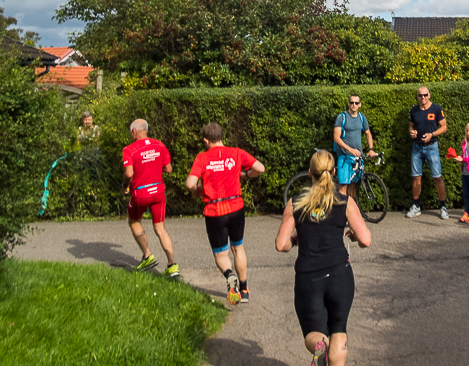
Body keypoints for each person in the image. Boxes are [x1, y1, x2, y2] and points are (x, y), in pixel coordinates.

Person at [276, 150, 372, 366]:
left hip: (309, 277)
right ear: (334, 172)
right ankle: (329, 351)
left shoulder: (296, 203)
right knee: (339, 331)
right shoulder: (345, 202)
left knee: (314, 332)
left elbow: (281, 245)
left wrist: (296, 240)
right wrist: (354, 236)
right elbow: (366, 239)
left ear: (310, 172)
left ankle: (320, 347)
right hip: (340, 275)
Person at [185, 122, 266, 305]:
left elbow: (190, 184)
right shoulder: (236, 153)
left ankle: (230, 276)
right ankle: (244, 289)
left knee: (221, 254)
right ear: (222, 136)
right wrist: (246, 175)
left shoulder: (202, 157)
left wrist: (197, 190)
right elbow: (260, 168)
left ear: (206, 140)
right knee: (238, 248)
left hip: (215, 211)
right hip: (236, 207)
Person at [122, 118, 178, 276]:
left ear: (134, 132)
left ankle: (147, 255)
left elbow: (129, 173)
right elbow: (168, 169)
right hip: (158, 192)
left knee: (134, 221)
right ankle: (172, 264)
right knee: (160, 228)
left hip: (141, 193)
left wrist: (125, 185)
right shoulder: (159, 145)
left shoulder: (129, 149)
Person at [406, 86, 449, 219]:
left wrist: (432, 134)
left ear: (429, 95)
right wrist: (411, 132)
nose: (423, 97)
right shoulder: (414, 110)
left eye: (425, 95)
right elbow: (411, 126)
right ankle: (416, 206)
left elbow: (444, 127)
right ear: (417, 97)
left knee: (437, 177)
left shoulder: (437, 109)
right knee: (416, 177)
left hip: (431, 147)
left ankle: (443, 207)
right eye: (420, 95)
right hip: (417, 147)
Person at [333, 94, 376, 199]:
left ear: (359, 105)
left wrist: (371, 149)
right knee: (343, 185)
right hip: (344, 157)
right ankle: (341, 211)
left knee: (353, 185)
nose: (354, 105)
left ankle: (350, 210)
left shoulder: (362, 118)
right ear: (348, 104)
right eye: (351, 102)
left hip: (358, 157)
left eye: (356, 103)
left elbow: (368, 133)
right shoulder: (342, 117)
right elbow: (336, 137)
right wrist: (350, 149)